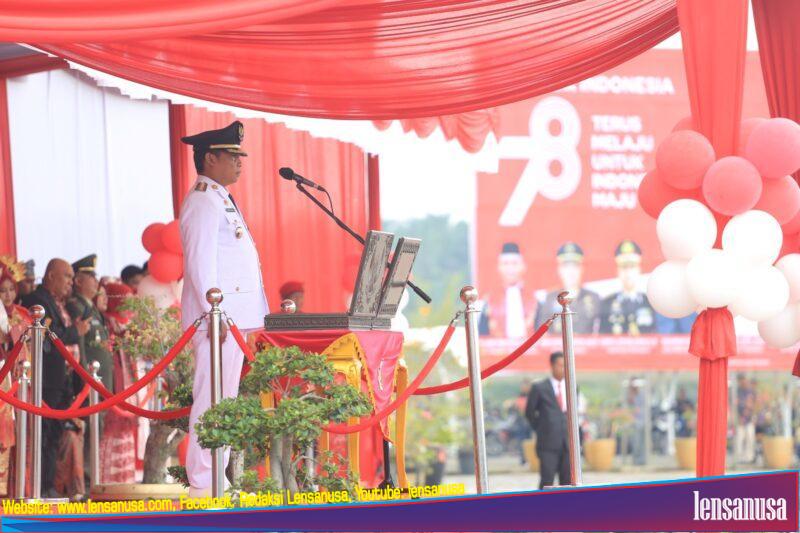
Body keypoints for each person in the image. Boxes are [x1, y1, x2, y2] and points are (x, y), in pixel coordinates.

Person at [179, 120, 269, 497]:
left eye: (239, 155)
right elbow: (200, 262)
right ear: (210, 158)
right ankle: (203, 481)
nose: (239, 162)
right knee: (211, 398)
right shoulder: (203, 198)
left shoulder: (220, 197)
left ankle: (219, 477)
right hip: (218, 318)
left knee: (225, 399)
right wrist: (211, 312)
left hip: (233, 318)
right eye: (232, 155)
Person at [22, 259, 91, 497]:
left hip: (63, 380)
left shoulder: (61, 303)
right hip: (46, 381)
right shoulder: (37, 300)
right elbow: (49, 336)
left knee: (54, 435)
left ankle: (50, 485)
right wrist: (75, 332)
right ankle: (42, 487)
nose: (71, 282)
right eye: (67, 277)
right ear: (51, 276)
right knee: (44, 435)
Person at [98, 281, 137, 484]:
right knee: (110, 433)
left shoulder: (127, 325)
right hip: (113, 385)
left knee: (125, 432)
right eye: (126, 301)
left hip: (127, 387)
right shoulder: (106, 323)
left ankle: (124, 480)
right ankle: (108, 480)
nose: (129, 306)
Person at [0, 256, 32, 497]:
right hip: (4, 379)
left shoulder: (23, 315)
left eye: (11, 289)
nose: (8, 295)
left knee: (19, 435)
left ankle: (15, 490)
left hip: (19, 382)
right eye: (3, 290)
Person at [534, 242, 600, 335]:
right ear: (559, 270)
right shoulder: (550, 299)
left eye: (575, 266)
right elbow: (542, 335)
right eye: (566, 267)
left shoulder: (594, 299)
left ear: (581, 269)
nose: (571, 272)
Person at [525, 352, 570, 489]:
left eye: (565, 365)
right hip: (548, 444)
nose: (563, 369)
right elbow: (529, 412)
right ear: (552, 365)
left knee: (568, 482)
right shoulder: (539, 388)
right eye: (560, 365)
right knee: (547, 480)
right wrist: (541, 428)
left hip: (568, 443)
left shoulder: (572, 386)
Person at [599, 240, 656, 335]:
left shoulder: (650, 303)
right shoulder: (607, 304)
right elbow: (602, 337)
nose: (628, 273)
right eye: (624, 267)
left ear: (639, 270)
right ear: (618, 271)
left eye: (632, 267)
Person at [481, 242, 535, 338]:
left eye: (514, 263)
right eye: (505, 263)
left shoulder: (535, 299)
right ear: (499, 267)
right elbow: (482, 334)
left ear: (523, 266)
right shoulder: (489, 300)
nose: (510, 268)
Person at [735, 374, 756, 464]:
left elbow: (751, 405)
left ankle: (749, 458)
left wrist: (745, 416)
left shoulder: (750, 391)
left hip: (749, 419)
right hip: (739, 419)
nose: (742, 382)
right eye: (740, 380)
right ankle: (738, 458)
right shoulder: (737, 391)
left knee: (750, 438)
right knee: (739, 439)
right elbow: (735, 404)